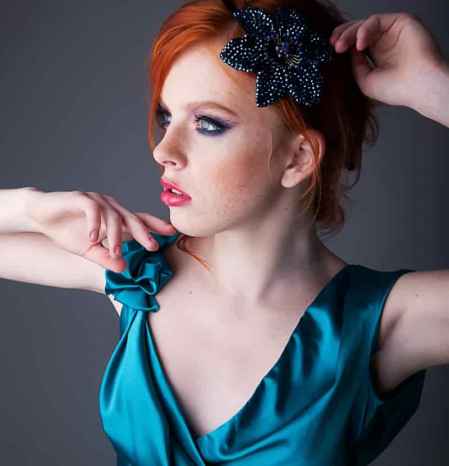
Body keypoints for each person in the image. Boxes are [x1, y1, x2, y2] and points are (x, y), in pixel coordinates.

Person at [1, 0, 448, 465]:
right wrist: (29, 208)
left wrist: (433, 86)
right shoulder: (137, 273)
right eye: (167, 118)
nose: (164, 150)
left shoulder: (382, 323)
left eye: (207, 124)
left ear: (297, 158)